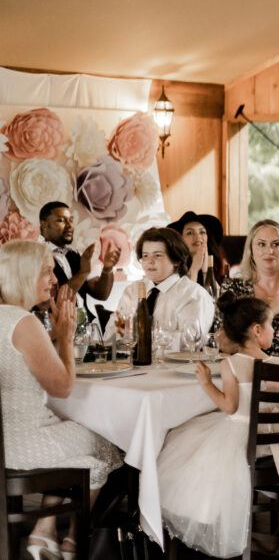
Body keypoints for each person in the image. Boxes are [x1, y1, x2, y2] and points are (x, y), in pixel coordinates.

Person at [0, 240, 122, 560]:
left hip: (6, 440)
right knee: (108, 442)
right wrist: (66, 337)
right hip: (25, 444)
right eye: (45, 272)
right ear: (23, 276)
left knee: (84, 454)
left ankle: (47, 535)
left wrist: (53, 335)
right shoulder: (23, 322)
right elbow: (64, 387)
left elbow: (26, 364)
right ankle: (69, 537)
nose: (55, 280)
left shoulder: (9, 318)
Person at [157, 291, 279, 557]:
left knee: (185, 451)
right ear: (258, 330)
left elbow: (229, 407)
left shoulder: (232, 364)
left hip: (242, 439)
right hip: (273, 442)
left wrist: (206, 383)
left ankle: (214, 525)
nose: (274, 331)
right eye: (272, 325)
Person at [218, 220, 279, 364]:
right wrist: (270, 310)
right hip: (245, 373)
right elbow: (224, 344)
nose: (269, 251)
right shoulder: (234, 289)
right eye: (261, 244)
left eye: (276, 244)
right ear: (250, 250)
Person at [106, 228, 215, 347]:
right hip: (130, 363)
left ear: (176, 260)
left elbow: (190, 342)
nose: (150, 261)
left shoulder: (194, 295)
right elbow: (111, 334)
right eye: (145, 256)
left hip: (178, 366)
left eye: (157, 255)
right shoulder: (132, 290)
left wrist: (138, 336)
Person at [38, 200, 121, 314]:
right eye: (61, 220)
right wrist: (83, 273)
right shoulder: (34, 255)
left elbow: (101, 294)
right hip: (54, 328)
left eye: (71, 220)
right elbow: (52, 301)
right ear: (44, 224)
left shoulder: (74, 254)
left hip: (84, 327)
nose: (69, 226)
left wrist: (107, 269)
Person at [167, 210, 229, 286]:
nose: (198, 236)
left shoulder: (218, 262)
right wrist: (194, 268)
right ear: (180, 239)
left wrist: (206, 271)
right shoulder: (172, 266)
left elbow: (215, 296)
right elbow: (186, 295)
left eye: (202, 232)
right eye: (190, 233)